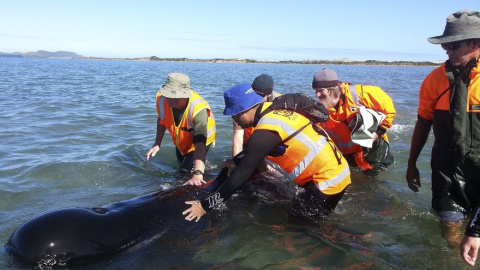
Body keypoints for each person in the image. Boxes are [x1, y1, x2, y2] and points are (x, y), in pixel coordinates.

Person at [182, 83, 351, 222]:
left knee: (300, 229)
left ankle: (351, 243)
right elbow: (257, 152)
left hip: (325, 183)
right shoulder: (276, 109)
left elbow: (239, 177)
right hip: (338, 172)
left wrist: (205, 205)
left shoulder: (265, 130)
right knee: (317, 219)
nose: (235, 121)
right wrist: (236, 161)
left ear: (244, 110)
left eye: (235, 116)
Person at [404, 10, 480, 248]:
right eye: (445, 45)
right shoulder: (434, 80)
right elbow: (424, 122)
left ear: (475, 42)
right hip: (446, 173)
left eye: (453, 45)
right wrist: (411, 163)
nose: (447, 50)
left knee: (474, 232)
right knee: (451, 230)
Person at [312, 68, 396, 171]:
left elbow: (388, 109)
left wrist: (378, 132)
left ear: (331, 90)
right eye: (315, 91)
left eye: (320, 91)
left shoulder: (359, 94)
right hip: (348, 154)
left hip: (373, 148)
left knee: (373, 180)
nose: (317, 95)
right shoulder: (322, 110)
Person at [146, 73, 216, 186]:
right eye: (168, 95)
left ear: (185, 95)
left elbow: (200, 142)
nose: (169, 99)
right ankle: (203, 169)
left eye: (174, 97)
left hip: (201, 140)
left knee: (183, 173)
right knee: (181, 165)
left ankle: (201, 179)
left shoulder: (198, 109)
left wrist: (197, 173)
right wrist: (157, 143)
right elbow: (162, 119)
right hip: (181, 138)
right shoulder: (162, 100)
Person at [231, 74, 281, 157]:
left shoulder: (280, 105)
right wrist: (236, 161)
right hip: (249, 144)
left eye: (261, 95)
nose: (257, 99)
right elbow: (238, 137)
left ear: (269, 93)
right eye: (254, 94)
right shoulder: (245, 101)